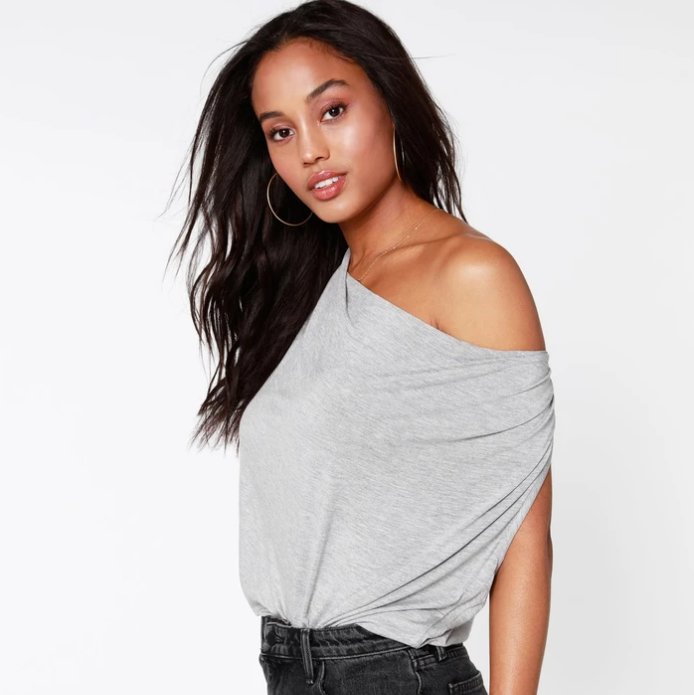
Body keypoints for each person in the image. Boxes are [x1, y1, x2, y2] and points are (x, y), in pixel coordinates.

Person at [167, 1, 556, 693]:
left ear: (391, 101)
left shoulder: (469, 274)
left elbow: (523, 529)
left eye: (333, 111)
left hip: (395, 672)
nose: (309, 151)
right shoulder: (313, 291)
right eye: (281, 131)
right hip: (291, 668)